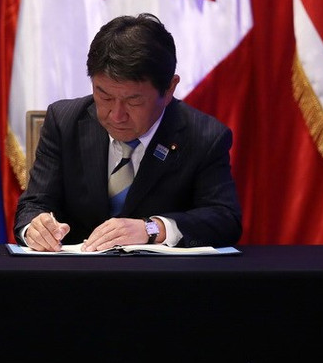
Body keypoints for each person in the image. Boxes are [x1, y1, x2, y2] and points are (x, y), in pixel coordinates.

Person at [14, 13, 242, 251]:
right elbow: (34, 205)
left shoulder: (204, 136)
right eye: (104, 96)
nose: (116, 115)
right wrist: (35, 229)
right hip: (77, 269)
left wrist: (153, 229)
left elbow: (225, 219)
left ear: (169, 89)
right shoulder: (64, 121)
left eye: (133, 101)